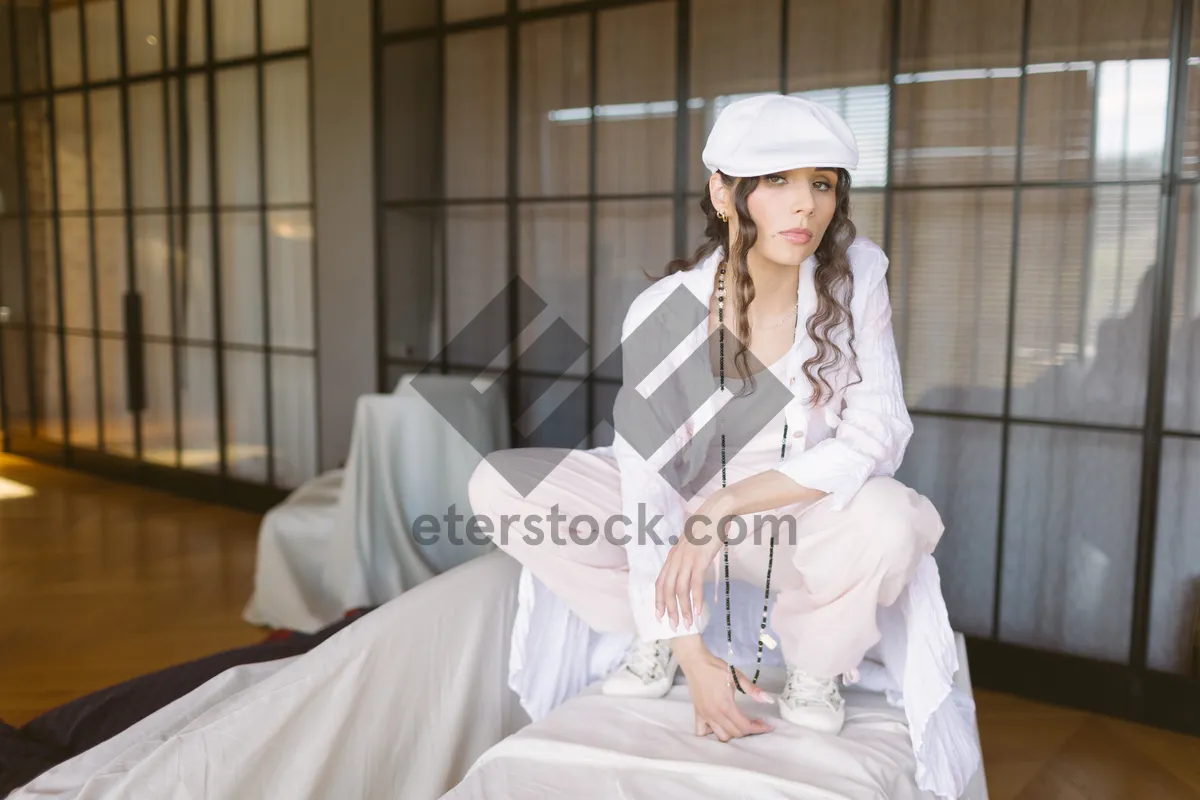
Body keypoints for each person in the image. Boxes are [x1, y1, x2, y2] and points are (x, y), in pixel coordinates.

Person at [469, 94, 976, 796]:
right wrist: (690, 650)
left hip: (799, 512)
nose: (805, 206)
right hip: (683, 514)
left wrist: (731, 504)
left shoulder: (856, 274)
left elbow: (878, 434)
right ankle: (654, 630)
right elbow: (646, 477)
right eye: (777, 181)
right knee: (501, 484)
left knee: (895, 518)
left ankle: (816, 664)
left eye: (820, 183)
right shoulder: (665, 309)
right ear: (723, 190)